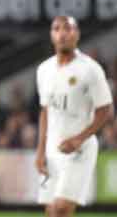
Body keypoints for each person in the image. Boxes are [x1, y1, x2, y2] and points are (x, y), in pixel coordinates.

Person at [35, 16, 114, 217]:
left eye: (68, 28)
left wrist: (79, 139)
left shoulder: (90, 69)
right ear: (51, 35)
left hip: (80, 150)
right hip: (53, 149)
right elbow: (45, 111)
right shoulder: (44, 70)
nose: (63, 33)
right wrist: (40, 150)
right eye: (57, 29)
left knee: (61, 209)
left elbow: (106, 110)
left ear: (77, 34)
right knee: (51, 211)